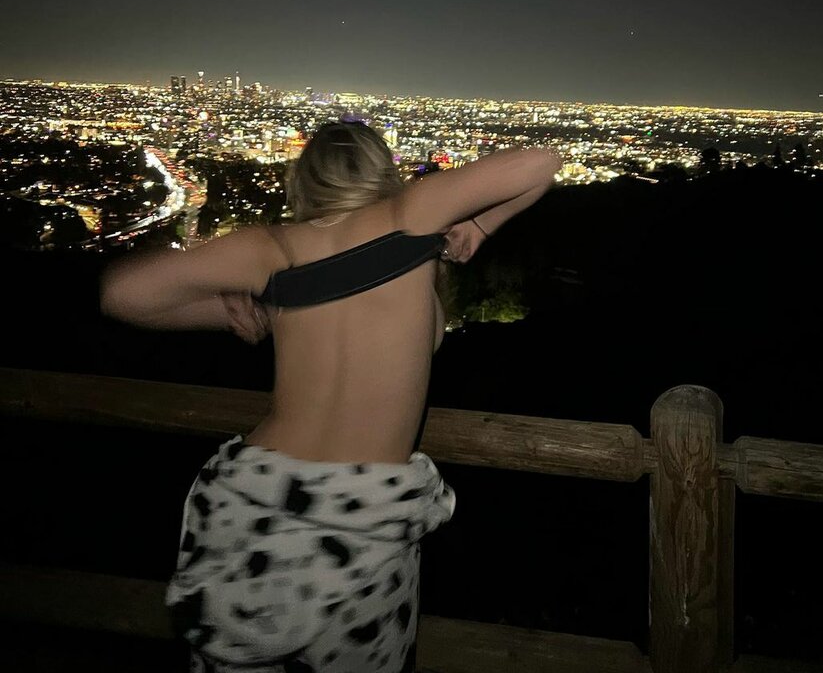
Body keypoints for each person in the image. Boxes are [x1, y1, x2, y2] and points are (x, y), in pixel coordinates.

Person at [101, 123, 560, 673]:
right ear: (383, 171)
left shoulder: (273, 249)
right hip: (361, 518)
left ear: (303, 181)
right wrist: (480, 224)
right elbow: (540, 163)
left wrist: (233, 309)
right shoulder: (410, 214)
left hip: (255, 504)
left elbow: (123, 295)